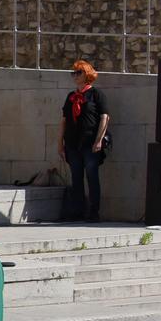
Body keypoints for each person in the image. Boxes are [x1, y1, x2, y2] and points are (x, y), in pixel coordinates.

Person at [59, 59, 109, 223]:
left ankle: (94, 212)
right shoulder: (71, 96)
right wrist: (60, 143)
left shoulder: (96, 94)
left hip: (90, 143)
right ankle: (78, 210)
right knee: (76, 177)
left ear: (87, 74)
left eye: (78, 72)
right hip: (73, 143)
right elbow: (64, 120)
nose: (75, 76)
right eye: (73, 73)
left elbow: (104, 117)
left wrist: (99, 140)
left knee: (92, 176)